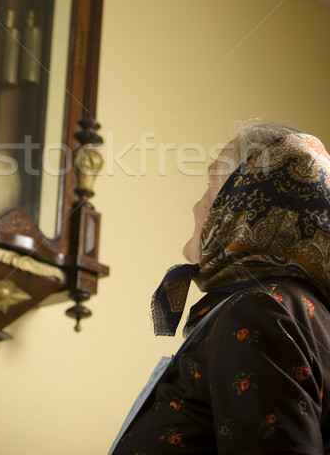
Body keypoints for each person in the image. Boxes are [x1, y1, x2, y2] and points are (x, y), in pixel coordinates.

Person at [109, 121, 330, 454]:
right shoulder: (296, 308)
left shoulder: (260, 309)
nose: (198, 206)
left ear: (244, 204)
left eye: (211, 185)